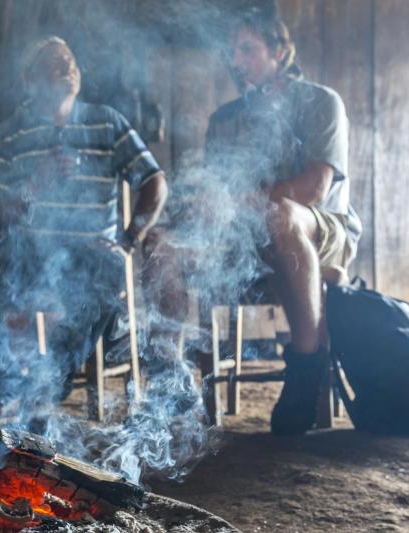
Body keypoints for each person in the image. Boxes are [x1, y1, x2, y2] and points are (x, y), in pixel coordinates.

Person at [143, 14, 361, 435]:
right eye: (232, 52)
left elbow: (314, 188)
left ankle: (307, 364)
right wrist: (201, 209)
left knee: (279, 215)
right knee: (159, 244)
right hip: (244, 239)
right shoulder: (225, 119)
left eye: (247, 49)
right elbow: (219, 196)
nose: (237, 61)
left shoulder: (321, 102)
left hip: (319, 232)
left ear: (279, 52)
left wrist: (239, 202)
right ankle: (170, 379)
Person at [0, 36, 167, 425]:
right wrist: (32, 186)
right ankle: (1, 392)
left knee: (107, 271)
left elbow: (155, 182)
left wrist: (129, 239)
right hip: (27, 251)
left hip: (92, 251)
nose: (68, 67)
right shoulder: (8, 135)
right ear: (29, 80)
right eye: (55, 62)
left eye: (70, 60)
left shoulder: (107, 122)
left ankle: (47, 385)